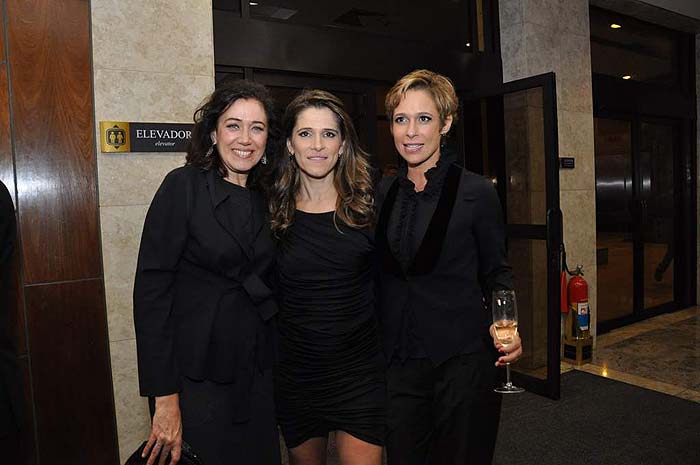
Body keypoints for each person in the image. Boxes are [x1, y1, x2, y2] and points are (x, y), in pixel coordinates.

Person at [375, 69, 523, 465]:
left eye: (423, 119)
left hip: (462, 363)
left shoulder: (476, 191)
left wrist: (507, 324)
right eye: (400, 119)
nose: (411, 131)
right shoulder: (383, 191)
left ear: (446, 123)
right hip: (400, 365)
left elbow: (497, 272)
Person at [133, 79, 281, 465]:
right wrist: (164, 398)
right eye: (233, 125)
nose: (244, 138)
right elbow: (151, 297)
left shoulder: (271, 197)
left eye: (257, 127)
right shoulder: (182, 187)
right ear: (214, 133)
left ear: (268, 138)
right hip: (196, 380)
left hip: (257, 374)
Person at [270, 90, 384, 465]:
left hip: (360, 376)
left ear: (343, 145)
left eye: (329, 134)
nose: (317, 145)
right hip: (296, 376)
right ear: (289, 144)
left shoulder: (370, 206)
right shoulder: (271, 211)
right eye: (305, 134)